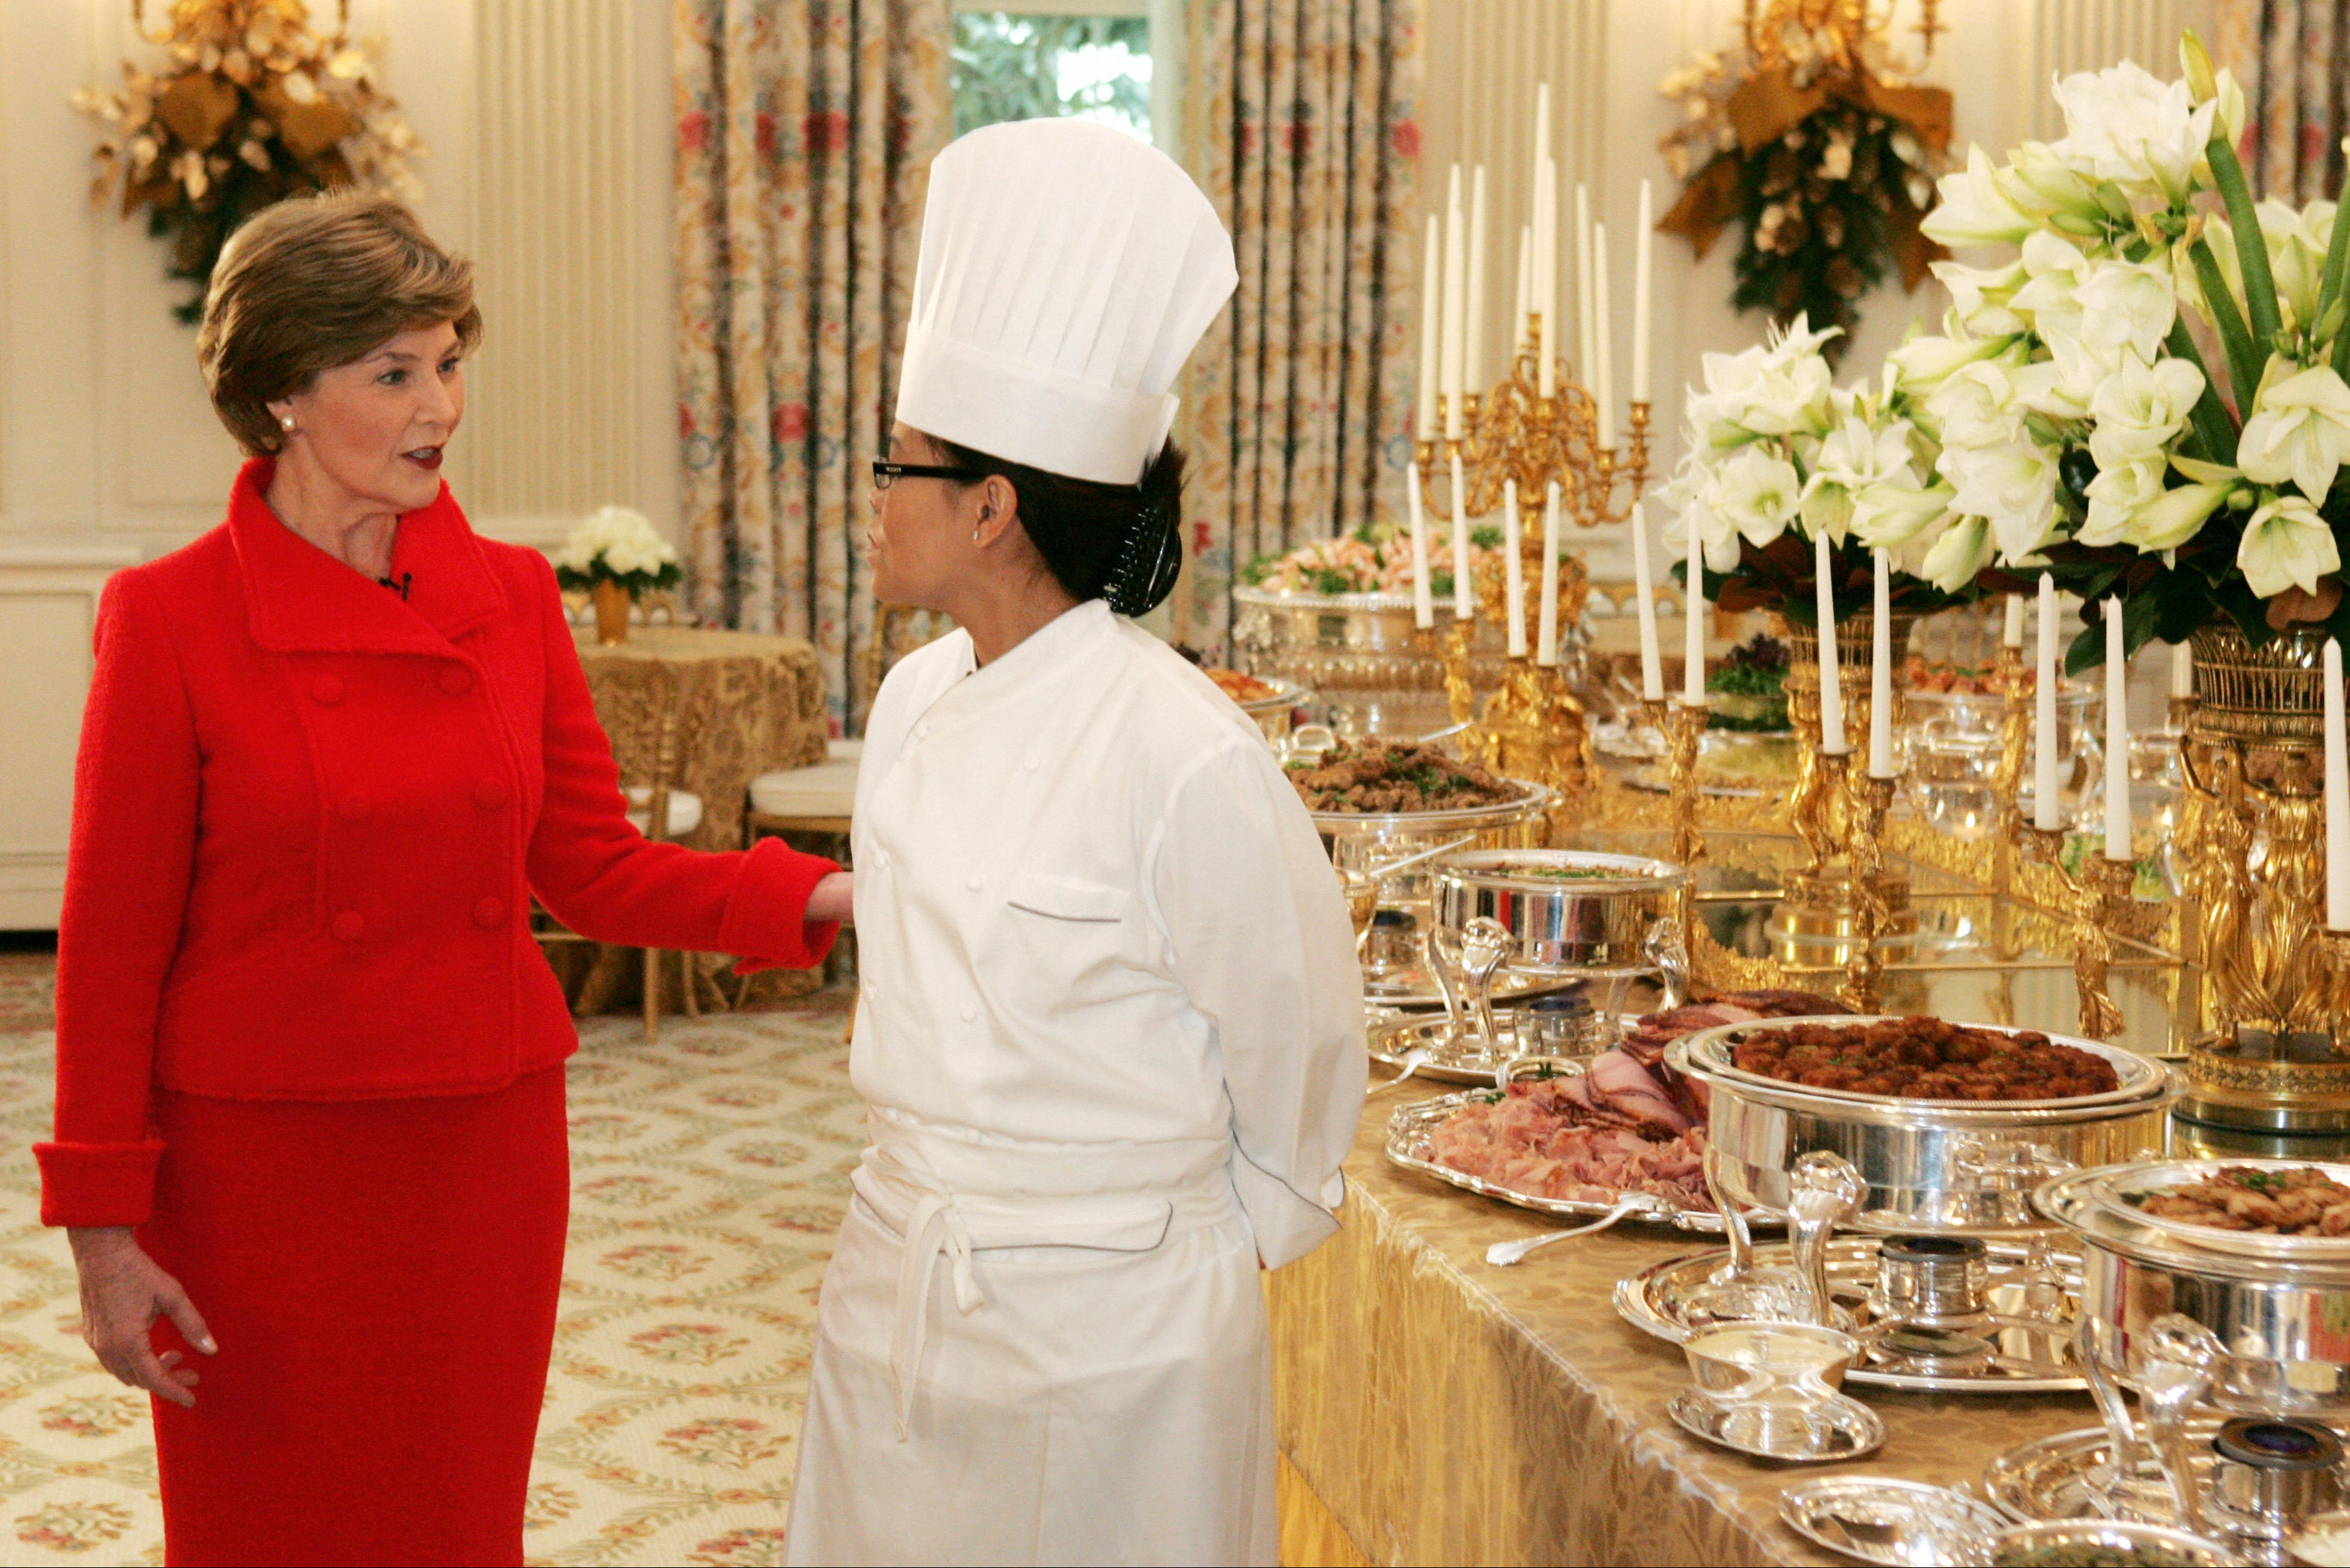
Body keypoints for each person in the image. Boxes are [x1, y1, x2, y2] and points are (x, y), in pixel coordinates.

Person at [35, 193, 851, 1567]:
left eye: (451, 359)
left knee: (454, 1519)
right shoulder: (170, 618)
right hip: (261, 1173)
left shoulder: (513, 595)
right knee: (266, 1527)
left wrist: (815, 899)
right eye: (395, 371)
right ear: (284, 394)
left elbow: (591, 864)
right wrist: (103, 1234)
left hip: (478, 1152)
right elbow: (111, 951)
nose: (442, 405)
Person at [782, 119, 1367, 1567]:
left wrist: (1159, 1257)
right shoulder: (912, 703)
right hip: (899, 1292)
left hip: (1123, 1344)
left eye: (896, 464)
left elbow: (1294, 1060)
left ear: (989, 508)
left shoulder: (1183, 755)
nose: (869, 492)